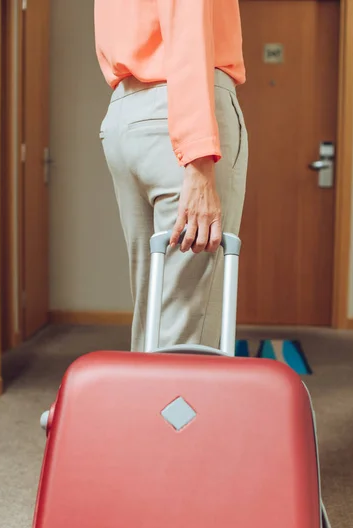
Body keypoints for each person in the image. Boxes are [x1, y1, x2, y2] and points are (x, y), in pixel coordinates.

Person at [94, 0, 248, 352]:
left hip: (125, 112)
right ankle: (171, 406)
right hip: (182, 107)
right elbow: (187, 27)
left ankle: (142, 405)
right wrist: (199, 159)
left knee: (154, 312)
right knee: (184, 320)